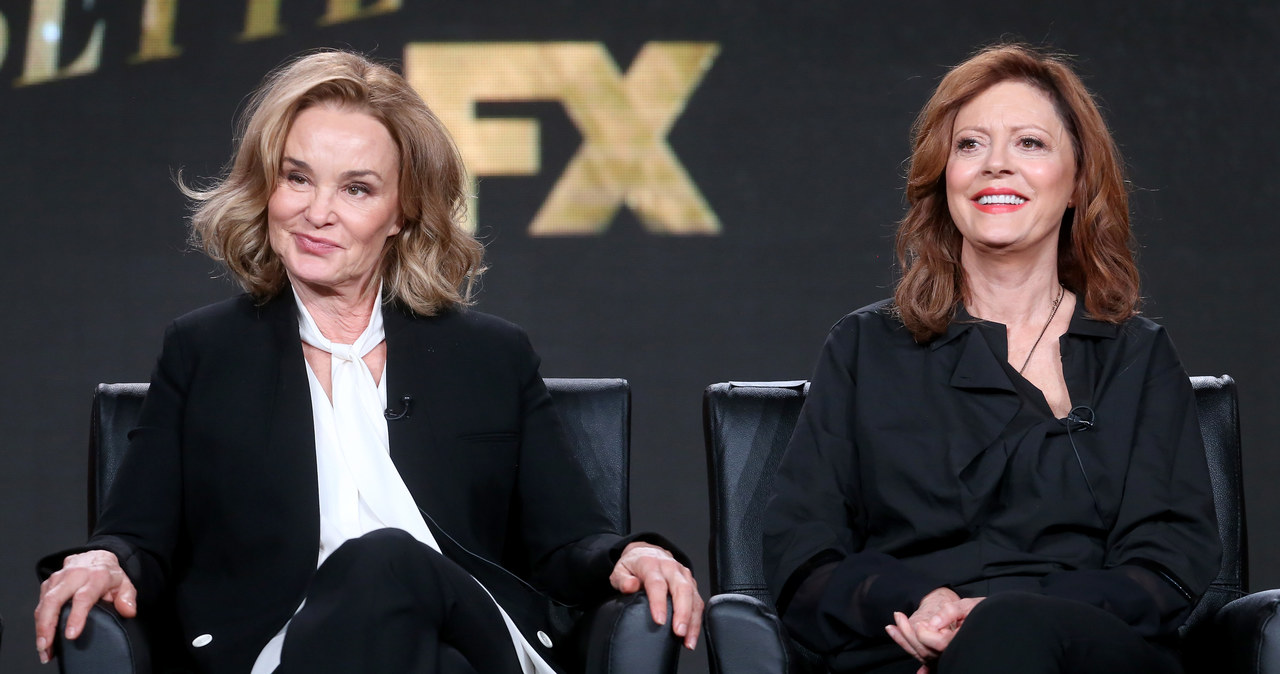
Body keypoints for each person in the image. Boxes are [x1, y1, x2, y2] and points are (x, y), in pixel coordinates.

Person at [34, 50, 702, 673]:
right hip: (283, 650)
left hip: (474, 632)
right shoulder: (203, 352)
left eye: (355, 189)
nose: (315, 212)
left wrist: (631, 552)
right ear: (268, 187)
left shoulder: (490, 356)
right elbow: (138, 536)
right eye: (297, 178)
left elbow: (566, 544)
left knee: (383, 561)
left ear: (403, 214)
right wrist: (103, 559)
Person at [762, 43, 1220, 674]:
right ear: (941, 177)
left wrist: (1002, 612)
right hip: (910, 647)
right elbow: (803, 553)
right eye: (970, 145)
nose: (995, 165)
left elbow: (1169, 562)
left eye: (1029, 143)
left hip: (1089, 651)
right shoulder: (866, 348)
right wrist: (920, 605)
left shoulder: (1135, 356)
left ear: (1078, 182)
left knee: (1010, 628)